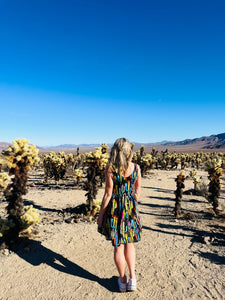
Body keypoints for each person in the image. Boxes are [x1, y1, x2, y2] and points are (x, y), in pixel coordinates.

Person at [97, 138, 142, 292]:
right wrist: (132, 205)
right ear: (129, 151)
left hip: (115, 211)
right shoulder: (136, 168)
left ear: (114, 151)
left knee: (118, 246)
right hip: (130, 209)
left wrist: (101, 214)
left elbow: (107, 195)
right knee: (129, 243)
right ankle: (133, 279)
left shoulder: (110, 169)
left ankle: (122, 281)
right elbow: (137, 191)